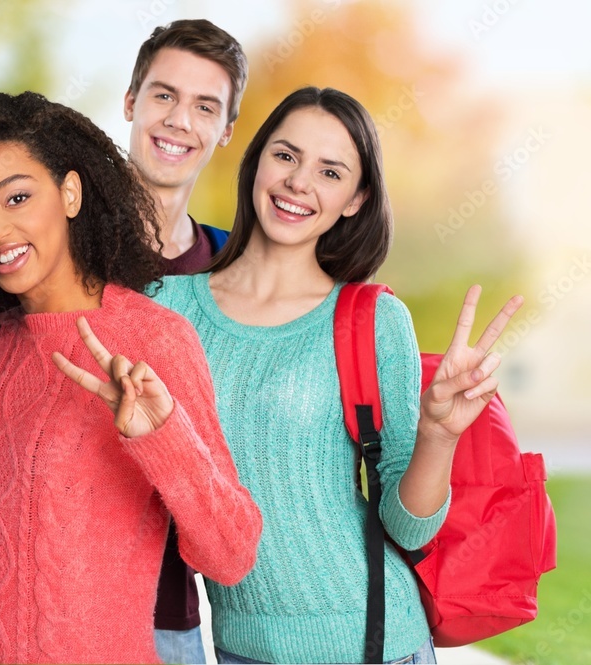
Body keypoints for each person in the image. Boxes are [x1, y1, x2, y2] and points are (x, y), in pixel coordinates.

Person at [0, 91, 263, 664]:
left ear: (70, 192)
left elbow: (231, 555)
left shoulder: (155, 338)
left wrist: (164, 438)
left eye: (17, 196)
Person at [152, 86, 523, 664]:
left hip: (375, 644)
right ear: (256, 163)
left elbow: (409, 528)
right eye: (286, 155)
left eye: (331, 171)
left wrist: (439, 433)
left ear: (355, 199)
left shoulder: (370, 319)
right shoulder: (167, 309)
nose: (300, 182)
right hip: (239, 648)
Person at [123, 19, 248, 663]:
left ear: (225, 131)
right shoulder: (50, 245)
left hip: (172, 615)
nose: (179, 120)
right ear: (131, 103)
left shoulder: (232, 270)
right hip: (51, 595)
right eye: (163, 95)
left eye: (205, 106)